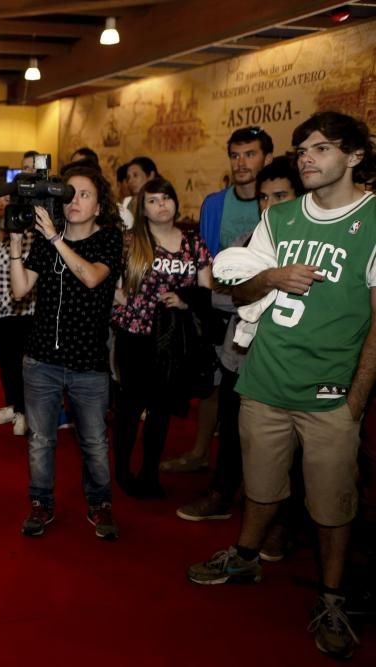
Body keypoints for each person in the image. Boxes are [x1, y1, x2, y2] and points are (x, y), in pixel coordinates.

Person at [188, 111, 376, 661]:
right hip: (265, 381)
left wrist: (355, 402)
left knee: (332, 504)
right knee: (262, 484)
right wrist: (269, 276)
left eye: (320, 149)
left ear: (355, 156)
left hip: (330, 394)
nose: (306, 158)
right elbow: (242, 292)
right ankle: (245, 557)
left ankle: (333, 595)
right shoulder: (281, 217)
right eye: (302, 150)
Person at [177, 156, 305, 526]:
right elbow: (219, 292)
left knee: (286, 450)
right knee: (232, 434)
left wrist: (252, 288)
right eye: (263, 197)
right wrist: (262, 285)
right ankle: (221, 495)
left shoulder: (310, 246)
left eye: (280, 196)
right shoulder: (246, 240)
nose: (269, 205)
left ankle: (282, 522)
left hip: (286, 361)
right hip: (240, 356)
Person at [9, 165, 124, 540]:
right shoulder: (44, 241)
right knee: (41, 440)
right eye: (68, 192)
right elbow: (20, 289)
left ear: (98, 205)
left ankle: (100, 503)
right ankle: (41, 502)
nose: (74, 200)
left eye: (85, 194)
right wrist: (14, 243)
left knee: (93, 441)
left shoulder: (108, 240)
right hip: (41, 358)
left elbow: (91, 277)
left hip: (88, 362)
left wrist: (57, 239)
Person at [163, 126, 275, 475]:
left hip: (264, 310)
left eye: (250, 154)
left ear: (267, 158)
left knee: (254, 398)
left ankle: (251, 473)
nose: (241, 163)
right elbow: (206, 260)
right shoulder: (215, 203)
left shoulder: (278, 200)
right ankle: (200, 453)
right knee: (213, 387)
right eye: (235, 155)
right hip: (219, 309)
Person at [111, 177, 213, 499]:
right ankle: (123, 470)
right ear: (143, 208)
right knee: (129, 406)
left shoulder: (194, 242)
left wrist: (186, 299)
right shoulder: (129, 241)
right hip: (134, 334)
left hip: (172, 339)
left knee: (161, 409)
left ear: (175, 202)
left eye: (166, 198)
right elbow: (103, 283)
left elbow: (207, 290)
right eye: (153, 200)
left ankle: (150, 473)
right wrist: (122, 299)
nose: (161, 205)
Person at [0, 193, 34, 436]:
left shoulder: (28, 238)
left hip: (20, 312)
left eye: (7, 201)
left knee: (19, 365)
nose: (2, 204)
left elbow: (25, 282)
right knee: (4, 365)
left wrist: (0, 304)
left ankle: (25, 412)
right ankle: (14, 407)